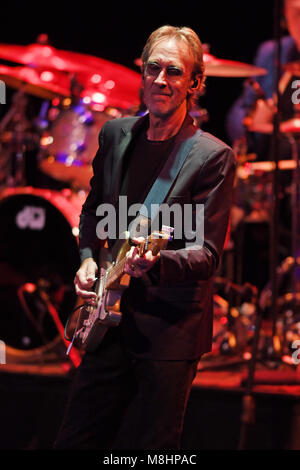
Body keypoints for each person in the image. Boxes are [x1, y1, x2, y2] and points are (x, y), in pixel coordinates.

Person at [54, 25, 236, 450]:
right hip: (108, 323)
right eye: (153, 68)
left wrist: (157, 262)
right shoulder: (115, 135)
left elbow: (207, 255)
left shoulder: (213, 156)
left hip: (168, 334)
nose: (161, 79)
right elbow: (94, 211)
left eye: (174, 72)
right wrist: (85, 257)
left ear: (194, 83)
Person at [226, 0, 300, 160]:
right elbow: (242, 111)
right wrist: (247, 129)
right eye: (297, 13)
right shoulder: (272, 53)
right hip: (273, 169)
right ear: (284, 17)